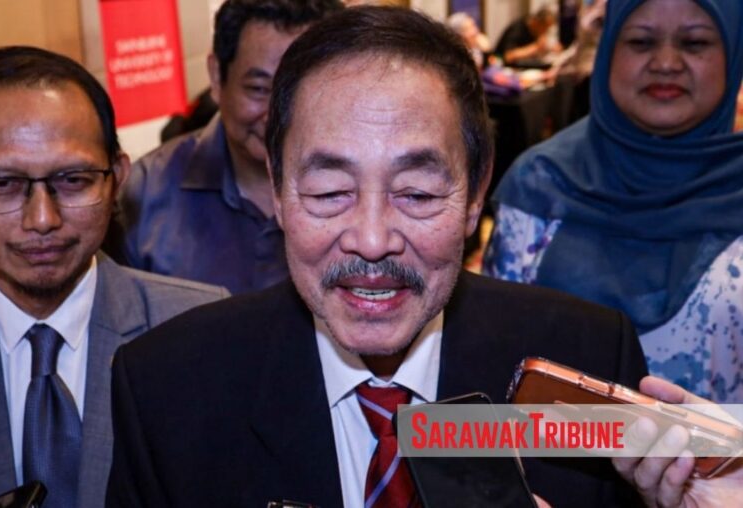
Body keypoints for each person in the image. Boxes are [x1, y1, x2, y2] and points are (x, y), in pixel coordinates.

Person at [106, 7, 649, 508]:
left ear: (475, 194)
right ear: (278, 188)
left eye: (416, 193)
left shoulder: (585, 364)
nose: (371, 240)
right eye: (329, 192)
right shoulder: (169, 391)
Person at [0, 46, 229, 508]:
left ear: (117, 178)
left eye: (73, 180)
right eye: (3, 184)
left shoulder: (204, 330)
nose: (43, 219)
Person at [484, 0, 743, 402]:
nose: (666, 63)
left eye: (694, 43)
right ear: (607, 51)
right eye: (641, 42)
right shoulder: (540, 184)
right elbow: (492, 361)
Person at [114, 0, 344, 294]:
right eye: (259, 89)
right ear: (216, 77)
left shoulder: (369, 187)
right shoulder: (142, 195)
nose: (278, 117)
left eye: (300, 90)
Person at [494, 5, 561, 66]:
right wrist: (536, 47)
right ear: (536, 22)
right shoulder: (517, 29)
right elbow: (508, 56)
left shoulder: (537, 31)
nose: (546, 32)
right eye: (545, 28)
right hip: (502, 65)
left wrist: (550, 48)